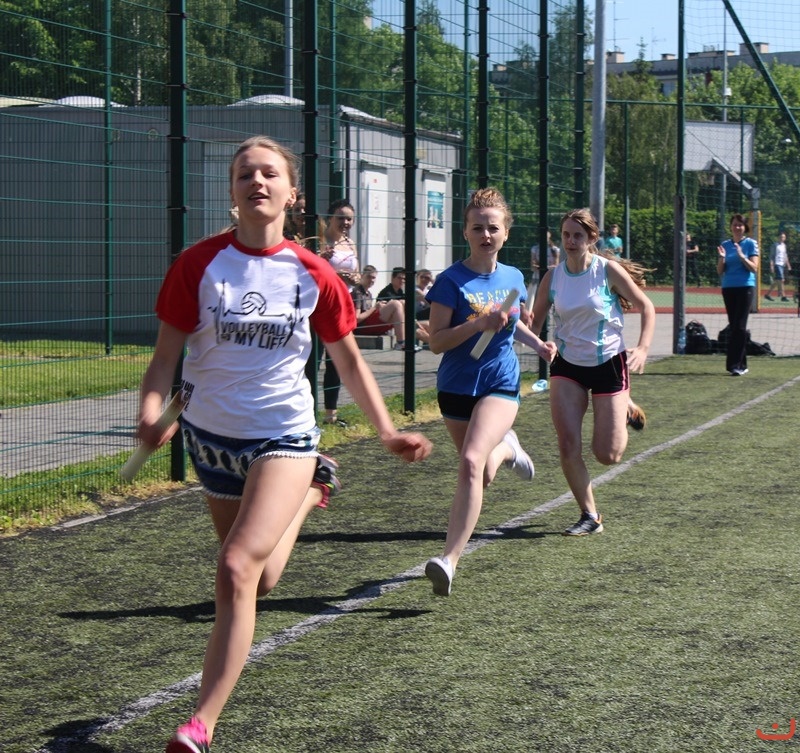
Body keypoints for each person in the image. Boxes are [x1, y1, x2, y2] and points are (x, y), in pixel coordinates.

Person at [137, 135, 432, 753]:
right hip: (211, 441)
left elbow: (348, 362)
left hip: (283, 436)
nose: (258, 181)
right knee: (262, 579)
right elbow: (164, 358)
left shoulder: (313, 272)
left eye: (270, 173)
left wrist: (386, 431)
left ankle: (200, 724)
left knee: (234, 567)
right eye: (246, 173)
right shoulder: (197, 265)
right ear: (232, 190)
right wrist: (148, 414)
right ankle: (312, 493)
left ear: (292, 194)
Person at [423, 188, 557, 597]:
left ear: (505, 233)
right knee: (480, 473)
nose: (486, 234)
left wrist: (538, 344)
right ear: (465, 232)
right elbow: (437, 342)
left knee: (469, 462)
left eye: (493, 228)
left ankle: (449, 560)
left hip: (500, 382)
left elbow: (512, 322)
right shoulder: (450, 281)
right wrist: (477, 324)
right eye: (477, 227)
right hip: (456, 387)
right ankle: (508, 449)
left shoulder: (513, 277)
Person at [529, 208, 655, 537]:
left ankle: (624, 405)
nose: (570, 241)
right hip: (567, 366)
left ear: (592, 239)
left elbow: (646, 306)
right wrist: (539, 344)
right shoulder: (552, 277)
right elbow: (534, 323)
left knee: (607, 455)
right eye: (566, 235)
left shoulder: (607, 271)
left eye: (578, 235)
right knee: (568, 444)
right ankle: (590, 515)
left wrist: (642, 348)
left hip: (608, 364)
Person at [311, 198, 361, 426]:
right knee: (314, 360)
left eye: (349, 219)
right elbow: (312, 270)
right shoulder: (321, 241)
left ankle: (331, 414)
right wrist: (327, 266)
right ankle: (309, 412)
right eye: (341, 218)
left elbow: (357, 273)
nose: (345, 222)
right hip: (321, 305)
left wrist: (355, 278)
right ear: (330, 218)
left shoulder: (350, 243)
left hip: (344, 306)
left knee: (336, 362)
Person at [717, 213, 760, 376]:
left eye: (740, 225)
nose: (737, 227)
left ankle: (734, 365)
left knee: (740, 326)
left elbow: (754, 268)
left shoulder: (750, 243)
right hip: (729, 288)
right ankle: (742, 363)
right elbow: (720, 271)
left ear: (745, 227)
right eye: (734, 224)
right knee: (734, 326)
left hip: (745, 287)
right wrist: (722, 259)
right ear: (730, 227)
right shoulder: (725, 245)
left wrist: (742, 257)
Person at [352, 265, 420, 350]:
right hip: (361, 328)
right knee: (395, 304)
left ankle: (406, 341)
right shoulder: (358, 293)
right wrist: (375, 307)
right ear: (362, 276)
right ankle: (401, 343)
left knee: (402, 303)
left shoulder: (368, 293)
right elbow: (357, 319)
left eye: (373, 278)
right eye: (369, 277)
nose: (371, 280)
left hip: (369, 324)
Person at [765, 231, 791, 302]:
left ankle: (767, 295)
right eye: (781, 237)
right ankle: (783, 296)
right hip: (777, 264)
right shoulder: (775, 245)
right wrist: (771, 265)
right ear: (778, 237)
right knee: (781, 280)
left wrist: (788, 264)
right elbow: (771, 256)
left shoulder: (784, 245)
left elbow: (785, 255)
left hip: (782, 264)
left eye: (783, 237)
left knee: (777, 281)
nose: (782, 238)